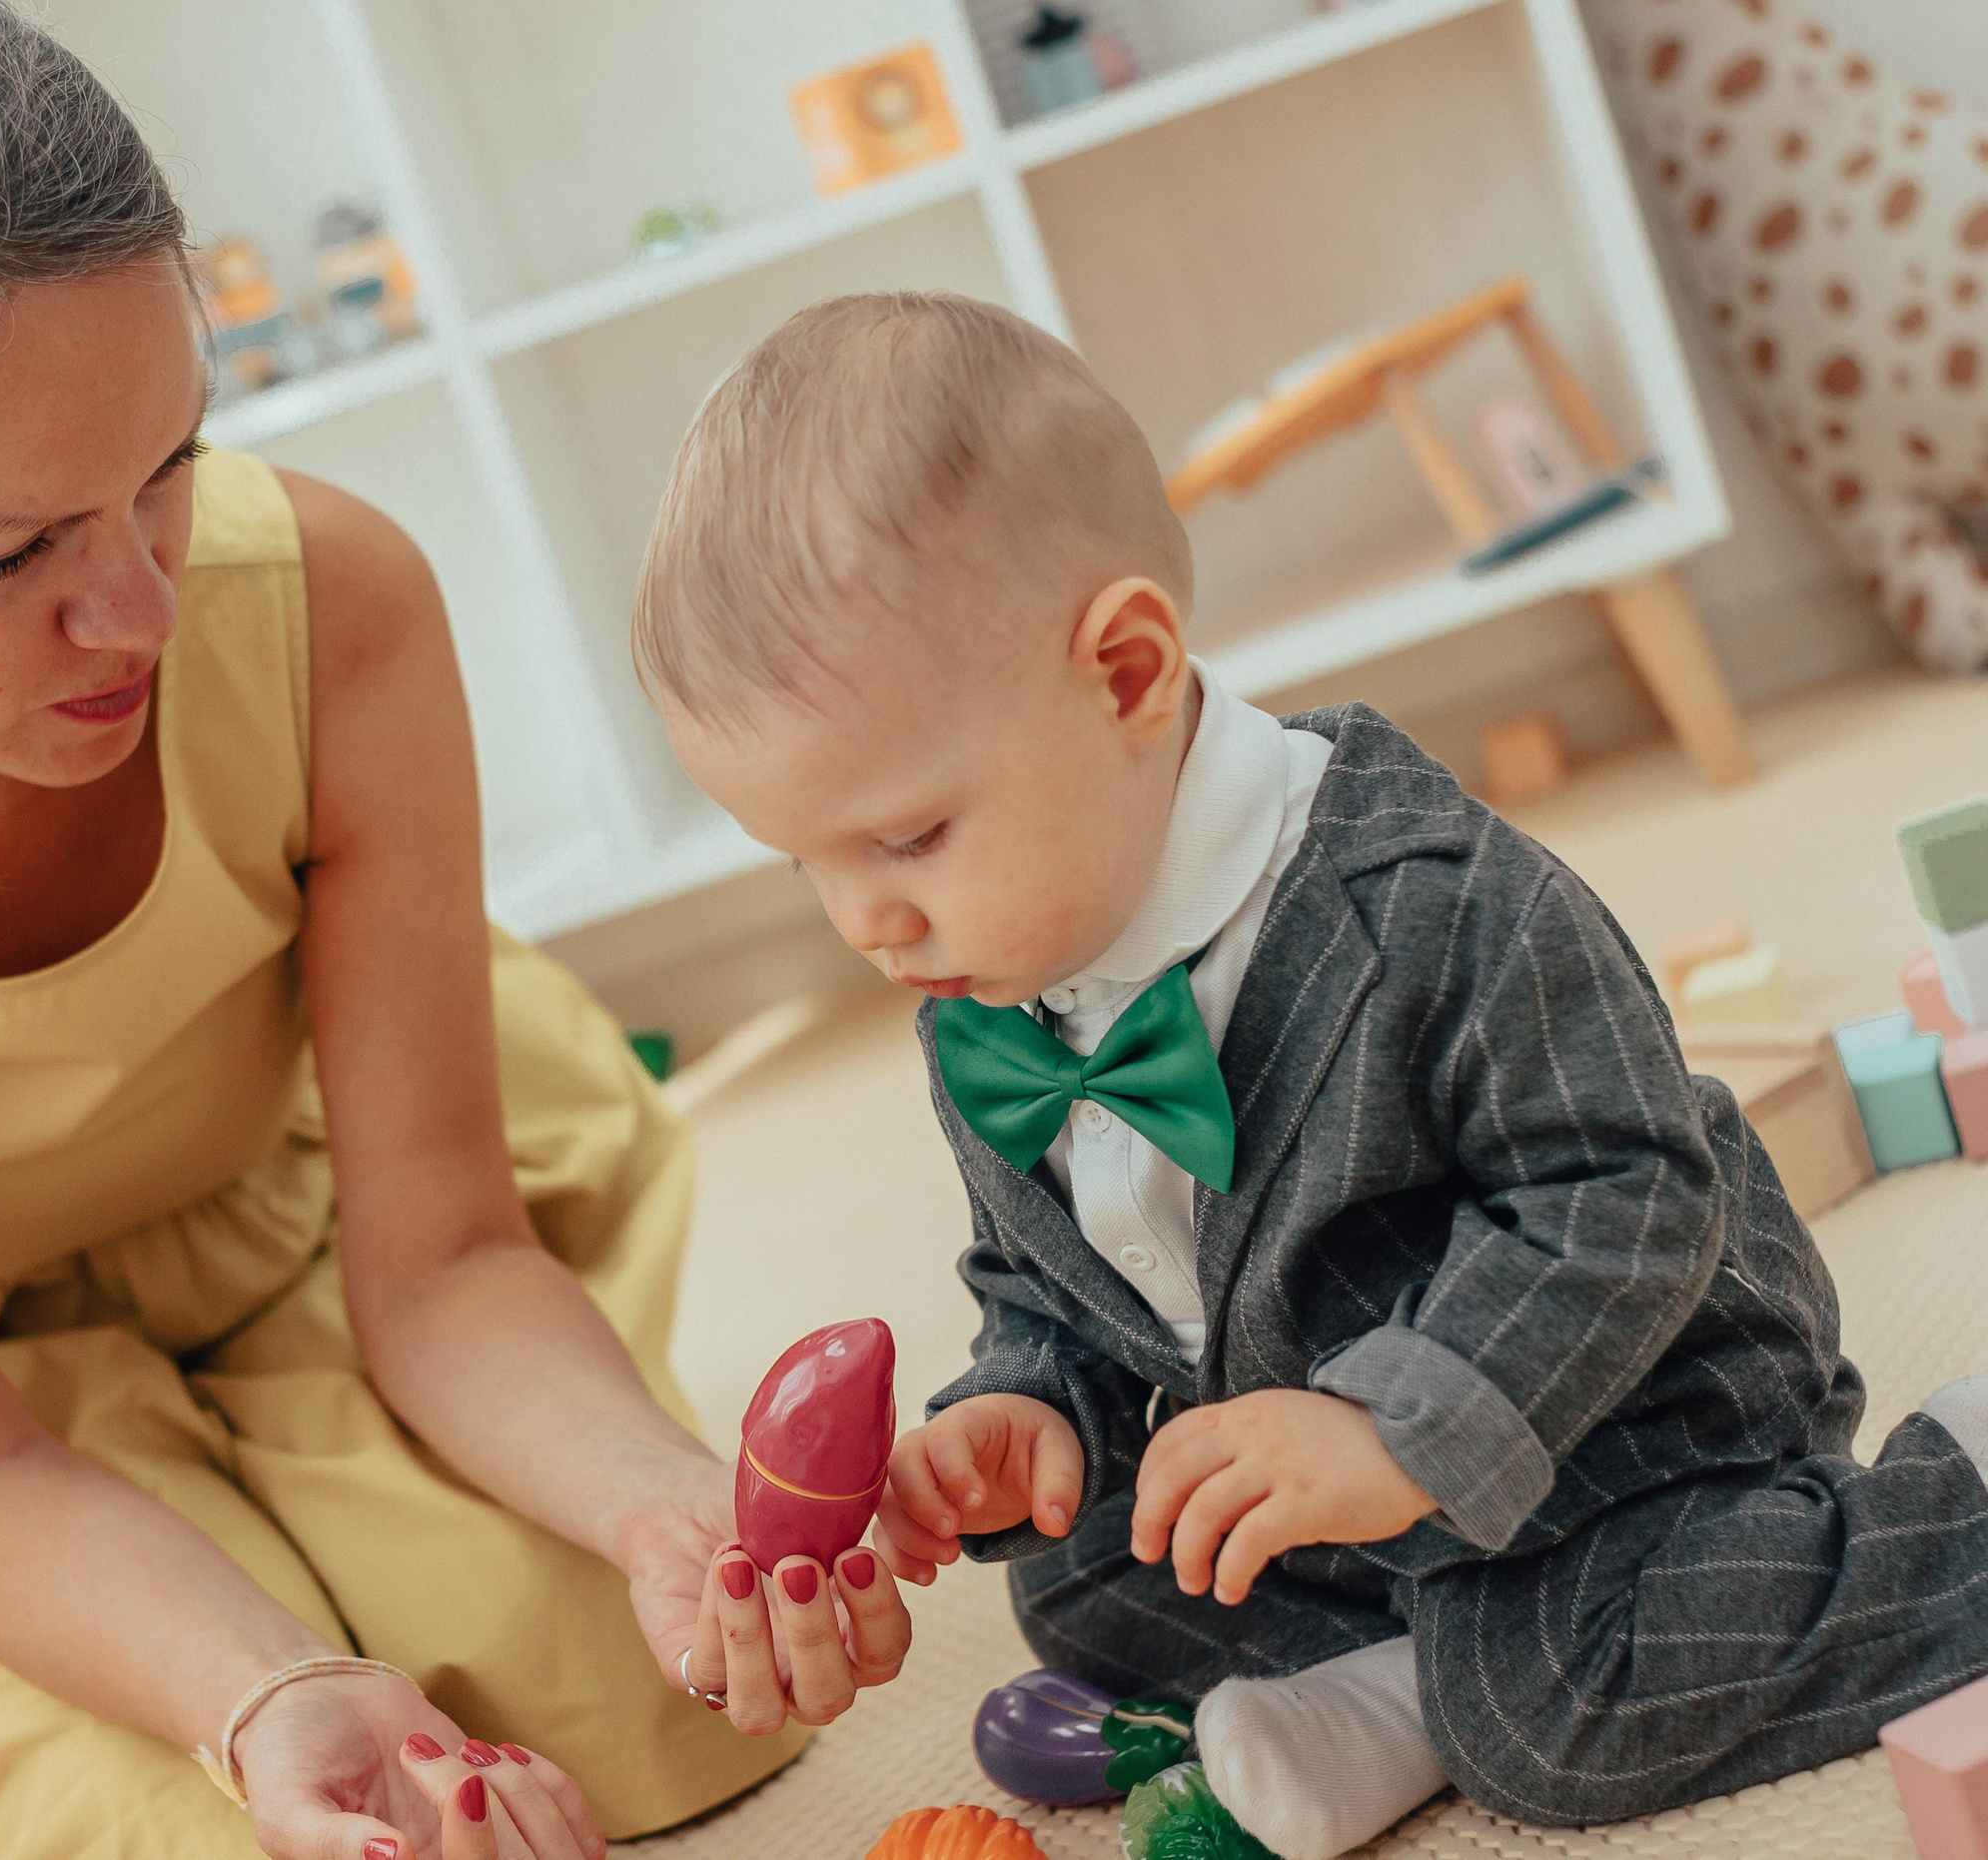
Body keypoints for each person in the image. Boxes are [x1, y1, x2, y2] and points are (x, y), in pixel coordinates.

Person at [0, 0, 912, 1856]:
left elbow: (447, 1261)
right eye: (6, 555)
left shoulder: (336, 602)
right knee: (202, 1819)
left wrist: (656, 1499)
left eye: (169, 469)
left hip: (273, 1222)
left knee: (622, 1686)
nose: (138, 610)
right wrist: (264, 1693)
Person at [631, 291, 1988, 1860]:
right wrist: (1023, 1396)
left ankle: (1939, 1504)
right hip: (1289, 1408)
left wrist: (1392, 1433)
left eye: (909, 837)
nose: (865, 923)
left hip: (1619, 1399)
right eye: (807, 863)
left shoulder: (1427, 898)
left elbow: (1632, 1197)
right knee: (1076, 1574)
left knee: (1561, 1711)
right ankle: (1424, 1672)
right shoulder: (979, 979)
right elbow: (1045, 1272)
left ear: (1129, 671)